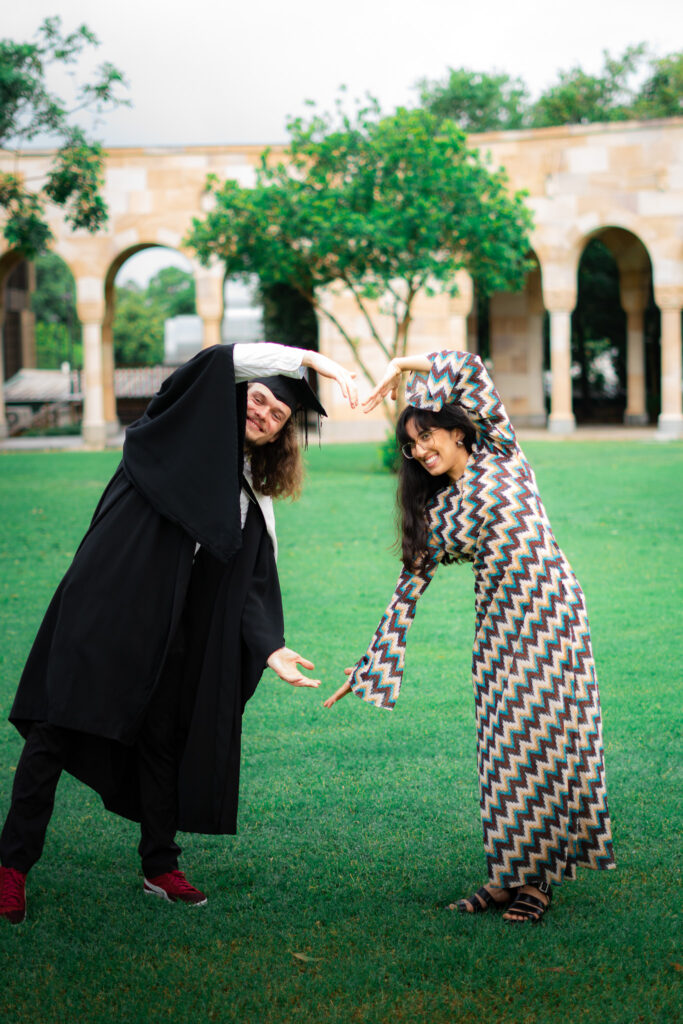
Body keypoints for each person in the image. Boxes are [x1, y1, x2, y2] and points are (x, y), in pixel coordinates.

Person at [0, 341, 358, 925]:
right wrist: (310, 361)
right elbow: (210, 363)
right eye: (258, 399)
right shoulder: (170, 429)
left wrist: (269, 646)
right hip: (107, 603)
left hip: (170, 627)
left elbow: (249, 577)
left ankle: (160, 865)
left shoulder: (248, 491)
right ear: (236, 391)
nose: (264, 416)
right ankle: (11, 868)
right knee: (56, 727)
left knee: (163, 737)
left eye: (277, 416)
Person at [324, 349, 615, 923]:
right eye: (411, 444)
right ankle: (506, 877)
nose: (419, 450)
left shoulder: (503, 453)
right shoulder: (438, 515)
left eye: (426, 435)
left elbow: (468, 364)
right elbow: (407, 591)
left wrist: (400, 368)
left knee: (545, 743)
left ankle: (538, 883)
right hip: (499, 630)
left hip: (554, 616)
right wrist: (368, 666)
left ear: (458, 431)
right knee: (502, 754)